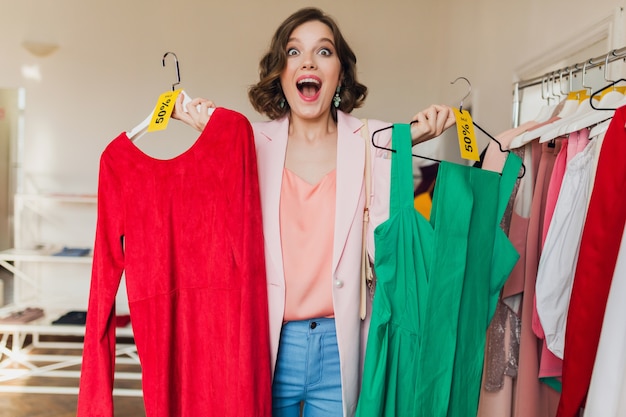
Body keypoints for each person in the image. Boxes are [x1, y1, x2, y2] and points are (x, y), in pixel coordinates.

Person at [173, 7, 455, 417]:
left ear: (340, 73)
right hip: (266, 343)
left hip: (341, 347)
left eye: (323, 52)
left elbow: (417, 228)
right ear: (280, 72)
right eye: (293, 52)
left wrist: (421, 154)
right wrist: (211, 141)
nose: (307, 61)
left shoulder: (375, 138)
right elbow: (206, 231)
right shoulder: (248, 143)